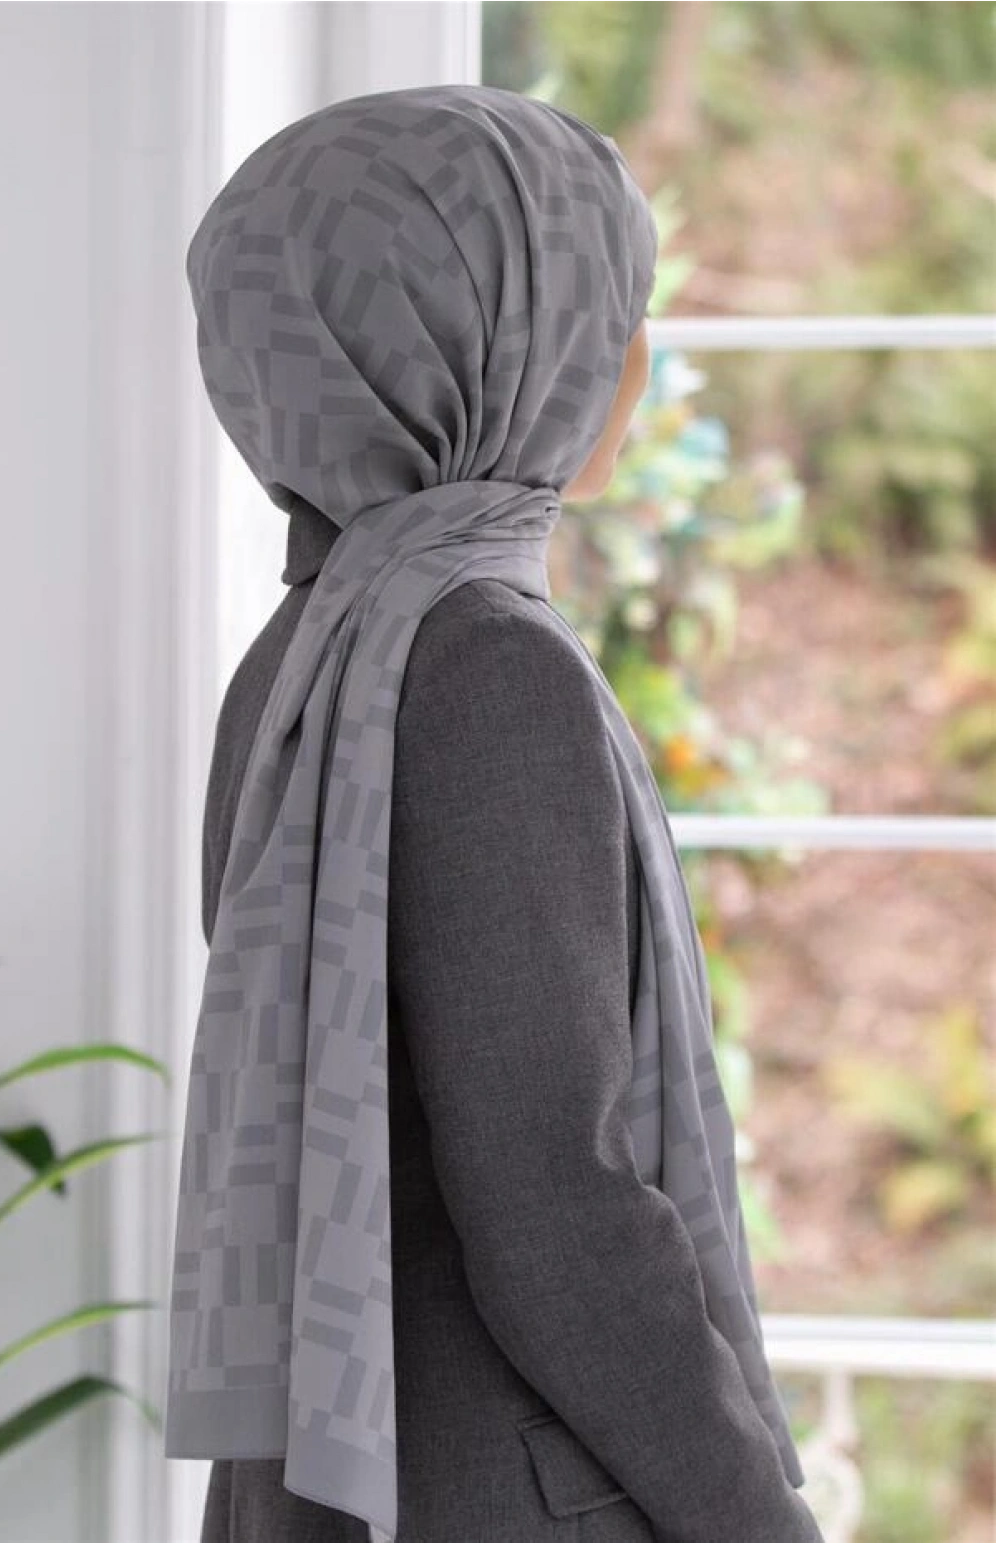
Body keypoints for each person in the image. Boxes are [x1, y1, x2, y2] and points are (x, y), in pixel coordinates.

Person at [165, 82, 826, 1543]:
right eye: (609, 312)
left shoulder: (298, 659)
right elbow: (559, 1212)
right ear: (492, 352)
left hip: (329, 1481)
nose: (637, 359)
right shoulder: (485, 665)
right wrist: (760, 1520)